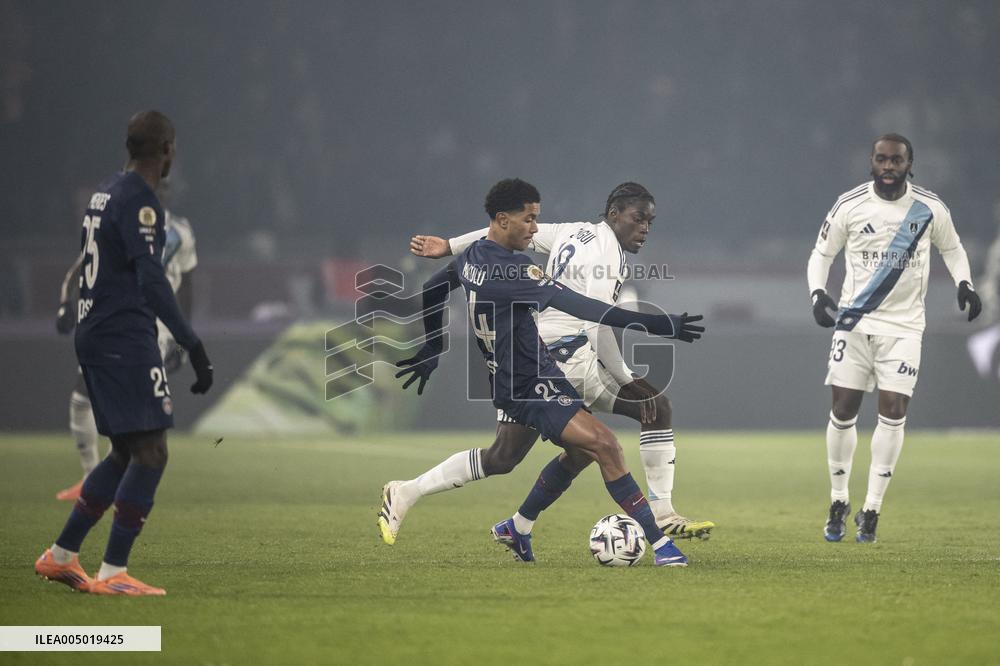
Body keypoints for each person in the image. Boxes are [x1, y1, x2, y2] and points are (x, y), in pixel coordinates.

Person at [385, 178, 704, 566]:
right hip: (535, 376)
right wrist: (658, 328)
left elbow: (434, 289)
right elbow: (591, 313)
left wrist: (433, 346)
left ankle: (510, 525)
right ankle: (662, 543)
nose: (536, 229)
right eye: (530, 219)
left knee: (510, 457)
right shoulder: (522, 273)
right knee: (604, 445)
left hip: (522, 371)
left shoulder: (476, 258)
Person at [34, 110, 214, 595]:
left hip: (96, 331)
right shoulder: (141, 201)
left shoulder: (104, 192)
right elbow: (152, 280)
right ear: (168, 150)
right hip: (122, 336)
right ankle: (113, 573)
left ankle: (61, 555)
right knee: (152, 452)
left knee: (123, 451)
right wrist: (191, 341)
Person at [807, 133, 981, 543]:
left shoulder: (929, 208)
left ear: (909, 164)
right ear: (871, 161)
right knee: (843, 410)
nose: (888, 167)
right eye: (882, 159)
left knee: (894, 410)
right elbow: (821, 253)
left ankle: (872, 507)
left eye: (896, 161)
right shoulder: (850, 204)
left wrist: (965, 283)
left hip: (904, 327)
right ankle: (838, 499)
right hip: (854, 323)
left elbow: (953, 248)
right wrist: (817, 293)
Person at [54, 197, 198, 501]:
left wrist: (182, 337)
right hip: (117, 320)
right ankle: (91, 477)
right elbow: (85, 263)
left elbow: (186, 285)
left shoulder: (180, 231)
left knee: (130, 412)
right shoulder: (122, 220)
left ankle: (111, 483)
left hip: (153, 328)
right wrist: (66, 303)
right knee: (83, 398)